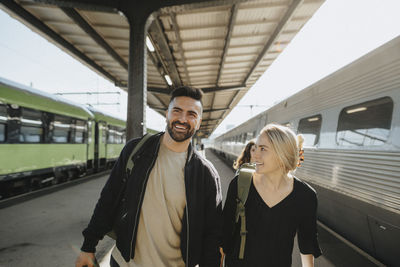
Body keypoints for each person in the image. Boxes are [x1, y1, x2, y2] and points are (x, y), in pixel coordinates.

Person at [75, 86, 223, 267]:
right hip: (125, 262)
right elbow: (109, 198)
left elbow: (212, 234)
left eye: (191, 114)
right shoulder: (136, 151)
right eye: (177, 111)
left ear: (199, 122)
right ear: (167, 114)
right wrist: (88, 246)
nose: (182, 119)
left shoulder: (206, 174)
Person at [222, 124, 321, 267]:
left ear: (283, 153)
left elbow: (307, 247)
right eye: (255, 148)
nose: (254, 154)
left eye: (263, 149)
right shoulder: (241, 184)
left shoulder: (305, 196)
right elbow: (223, 237)